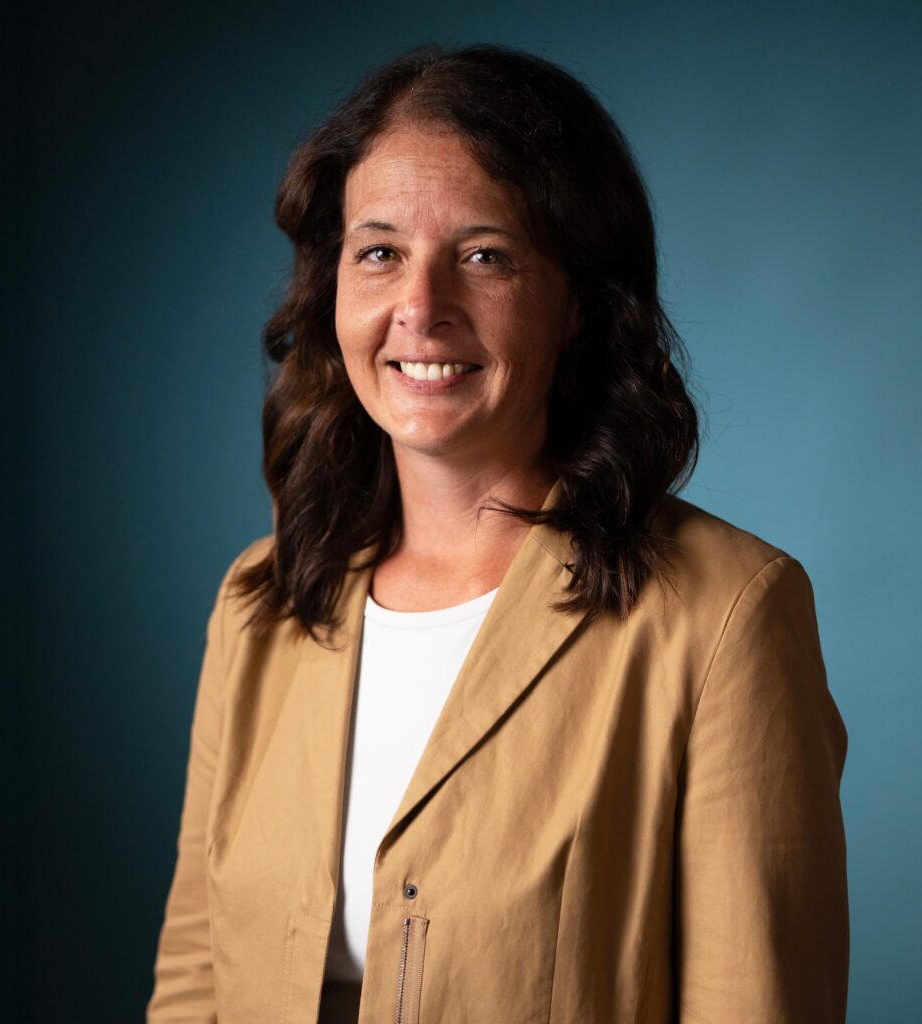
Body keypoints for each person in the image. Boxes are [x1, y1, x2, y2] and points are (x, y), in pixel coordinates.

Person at [146, 42, 849, 1024]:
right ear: (331, 285)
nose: (420, 310)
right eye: (379, 252)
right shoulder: (262, 599)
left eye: (484, 255)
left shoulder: (724, 615)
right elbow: (195, 977)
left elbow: (756, 1006)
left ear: (576, 303)